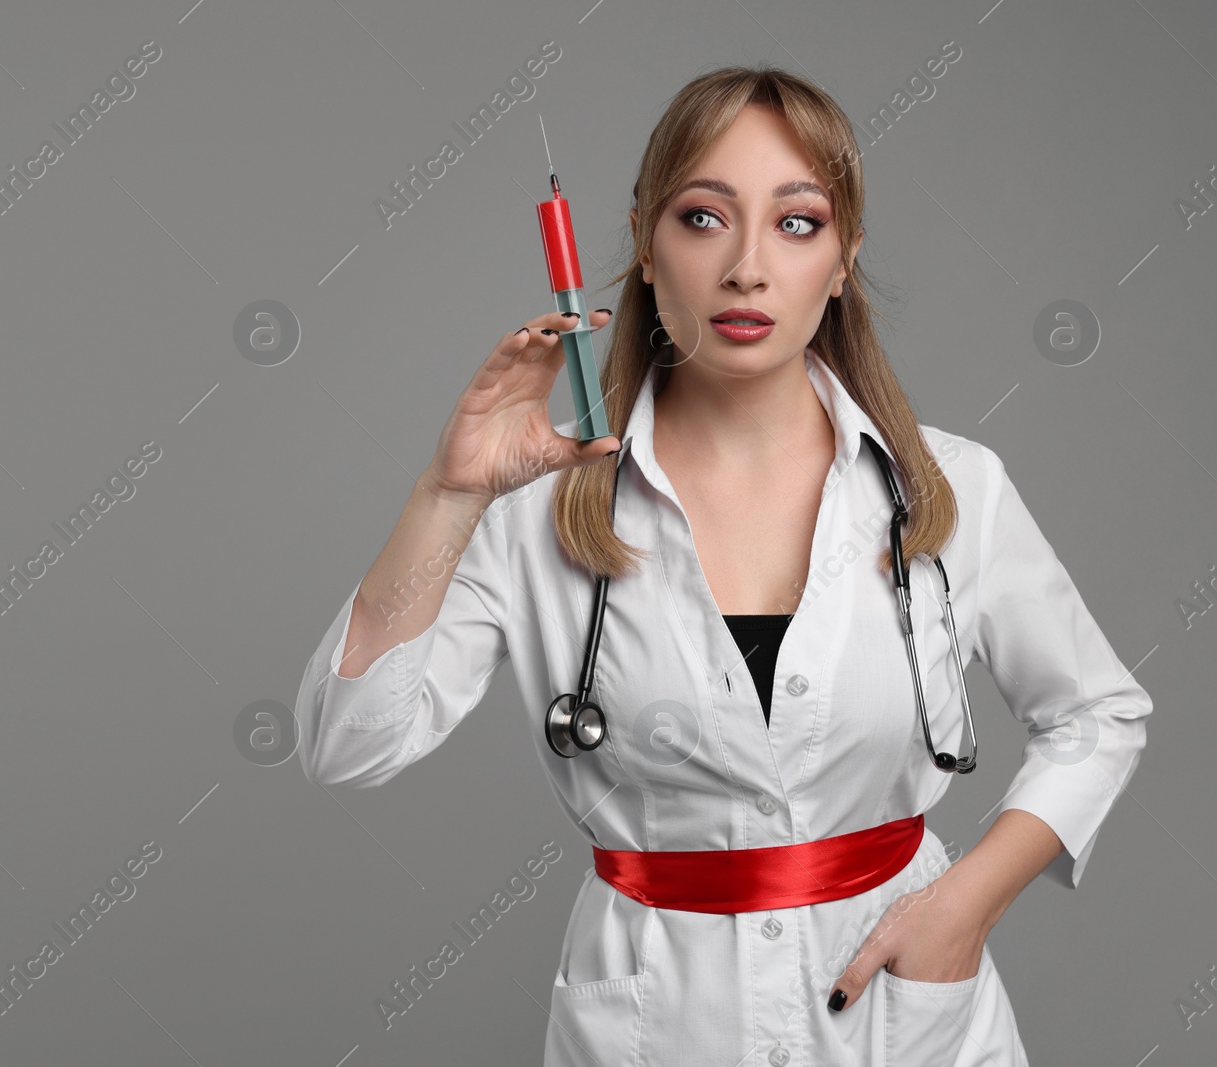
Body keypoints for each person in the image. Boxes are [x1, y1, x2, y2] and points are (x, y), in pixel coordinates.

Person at [293, 65, 1151, 1067]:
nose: (747, 267)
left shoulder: (948, 487)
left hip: (902, 1017)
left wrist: (963, 904)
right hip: (657, 1026)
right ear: (646, 249)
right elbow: (345, 740)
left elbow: (1097, 715)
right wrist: (448, 497)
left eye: (796, 224)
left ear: (842, 261)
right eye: (704, 218)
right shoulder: (538, 505)